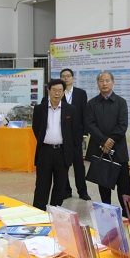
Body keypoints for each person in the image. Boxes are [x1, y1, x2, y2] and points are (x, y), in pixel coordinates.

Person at [85, 71, 130, 216]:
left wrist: (110, 141)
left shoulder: (121, 102)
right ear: (98, 83)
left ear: (113, 82)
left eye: (107, 81)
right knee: (103, 184)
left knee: (124, 185)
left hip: (119, 150)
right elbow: (90, 124)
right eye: (101, 81)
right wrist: (103, 141)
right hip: (100, 149)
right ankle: (107, 212)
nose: (104, 84)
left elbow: (122, 125)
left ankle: (127, 214)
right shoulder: (91, 103)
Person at [32, 79, 81, 210]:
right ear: (49, 91)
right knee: (42, 185)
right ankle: (39, 212)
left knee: (60, 186)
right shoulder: (40, 109)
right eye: (54, 90)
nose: (57, 93)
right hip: (45, 151)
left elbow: (74, 132)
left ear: (63, 93)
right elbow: (36, 129)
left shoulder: (71, 109)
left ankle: (55, 212)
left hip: (62, 152)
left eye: (60, 91)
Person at [59, 68, 91, 201]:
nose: (66, 78)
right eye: (63, 76)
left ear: (73, 78)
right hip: (61, 134)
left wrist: (84, 132)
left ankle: (82, 191)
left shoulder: (80, 93)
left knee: (79, 165)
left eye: (68, 76)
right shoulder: (58, 92)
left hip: (77, 134)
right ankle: (66, 190)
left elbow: (85, 112)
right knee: (63, 164)